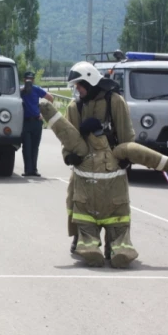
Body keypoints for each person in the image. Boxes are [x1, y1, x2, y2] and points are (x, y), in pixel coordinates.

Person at [62, 61, 138, 268]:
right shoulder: (74, 107)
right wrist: (69, 156)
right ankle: (81, 238)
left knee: (117, 209)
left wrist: (125, 156)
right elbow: (67, 138)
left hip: (111, 170)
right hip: (84, 170)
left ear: (90, 81)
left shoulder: (115, 102)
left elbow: (126, 133)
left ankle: (115, 246)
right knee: (74, 201)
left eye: (80, 85)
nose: (77, 89)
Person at [20, 71, 54, 177]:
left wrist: (44, 113)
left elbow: (50, 98)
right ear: (24, 80)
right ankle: (27, 170)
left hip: (36, 121)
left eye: (31, 79)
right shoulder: (20, 90)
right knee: (26, 147)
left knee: (35, 147)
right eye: (27, 79)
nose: (29, 81)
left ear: (33, 80)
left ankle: (33, 170)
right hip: (25, 122)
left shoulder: (36, 89)